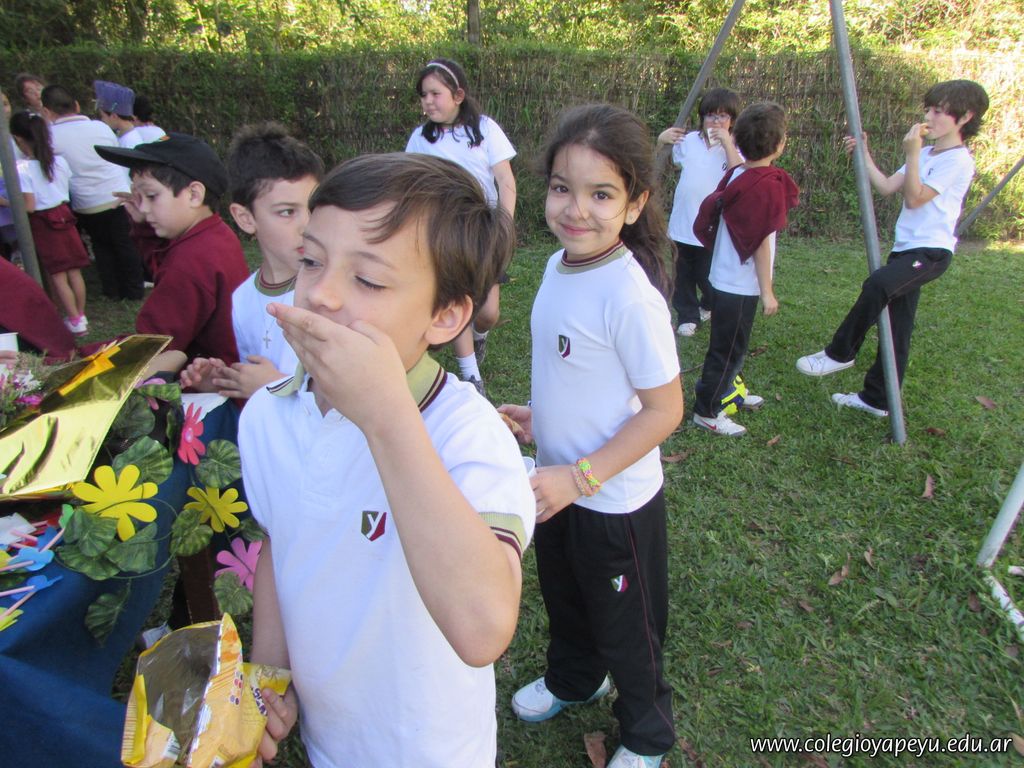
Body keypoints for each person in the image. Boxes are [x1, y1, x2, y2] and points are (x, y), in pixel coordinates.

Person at [238, 152, 533, 767]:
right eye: (311, 260)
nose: (320, 294)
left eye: (368, 281)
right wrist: (268, 669)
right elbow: (280, 544)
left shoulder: (467, 434)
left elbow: (482, 628)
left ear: (446, 316)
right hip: (329, 738)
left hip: (428, 749)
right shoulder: (268, 415)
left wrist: (385, 418)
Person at [499, 104, 683, 768]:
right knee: (567, 599)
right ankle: (576, 678)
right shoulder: (559, 265)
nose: (576, 209)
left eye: (601, 194)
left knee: (628, 629)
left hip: (613, 503)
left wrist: (581, 477)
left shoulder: (629, 296)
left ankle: (646, 733)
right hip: (557, 485)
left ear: (635, 205)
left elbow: (663, 411)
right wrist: (540, 418)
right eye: (561, 188)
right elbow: (581, 374)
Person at [796, 79, 989, 418]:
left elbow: (915, 199)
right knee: (897, 328)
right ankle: (877, 399)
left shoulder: (958, 161)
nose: (928, 117)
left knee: (878, 285)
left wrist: (912, 153)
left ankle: (840, 353)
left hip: (930, 253)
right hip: (905, 249)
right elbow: (887, 186)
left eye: (939, 112)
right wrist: (864, 153)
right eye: (928, 109)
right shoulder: (926, 154)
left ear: (965, 117)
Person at [180, 121, 324, 398]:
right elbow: (255, 382)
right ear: (245, 218)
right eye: (287, 212)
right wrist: (223, 381)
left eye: (313, 208)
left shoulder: (328, 294)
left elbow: (349, 390)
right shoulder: (243, 299)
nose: (307, 226)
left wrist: (275, 385)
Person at [404, 57, 516, 396]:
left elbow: (505, 181)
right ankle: (471, 376)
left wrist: (504, 227)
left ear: (458, 95)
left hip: (485, 230)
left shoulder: (484, 129)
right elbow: (411, 185)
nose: (428, 101)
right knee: (459, 298)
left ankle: (479, 338)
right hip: (444, 234)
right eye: (423, 95)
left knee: (488, 313)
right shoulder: (420, 139)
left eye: (435, 93)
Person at [95, 133, 249, 377]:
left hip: (213, 386)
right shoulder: (213, 234)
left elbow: (151, 345)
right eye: (139, 197)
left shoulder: (191, 261)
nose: (143, 208)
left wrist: (70, 359)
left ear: (194, 195)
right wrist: (144, 227)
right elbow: (161, 267)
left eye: (152, 196)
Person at [690, 102, 799, 437]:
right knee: (727, 350)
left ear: (736, 140)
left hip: (725, 277)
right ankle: (707, 411)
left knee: (731, 343)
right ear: (780, 145)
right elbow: (762, 243)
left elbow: (738, 165)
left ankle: (728, 390)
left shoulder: (741, 173)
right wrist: (767, 291)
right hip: (739, 284)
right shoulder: (766, 186)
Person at [41, 84, 145, 300]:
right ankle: (134, 290)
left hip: (86, 202)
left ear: (46, 111)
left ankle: (112, 290)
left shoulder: (49, 137)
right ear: (76, 105)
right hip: (116, 193)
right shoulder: (100, 127)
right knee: (124, 243)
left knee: (101, 245)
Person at [657, 87, 742, 337]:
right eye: (710, 116)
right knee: (682, 274)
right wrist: (661, 140)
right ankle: (687, 315)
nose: (716, 122)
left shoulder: (736, 146)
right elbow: (667, 158)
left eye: (723, 116)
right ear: (702, 118)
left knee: (707, 274)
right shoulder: (689, 141)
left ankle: (708, 304)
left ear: (732, 120)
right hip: (683, 222)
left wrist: (727, 143)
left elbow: (739, 173)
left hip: (713, 225)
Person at [9, 111, 91, 335]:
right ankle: (80, 315)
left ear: (18, 139)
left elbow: (29, 206)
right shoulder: (60, 161)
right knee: (74, 270)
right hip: (65, 215)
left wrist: (7, 203)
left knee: (58, 274)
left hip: (44, 222)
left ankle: (74, 319)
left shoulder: (22, 168)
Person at [93, 79, 166, 149]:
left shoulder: (129, 142)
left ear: (114, 116)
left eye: (103, 116)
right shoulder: (127, 136)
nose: (102, 120)